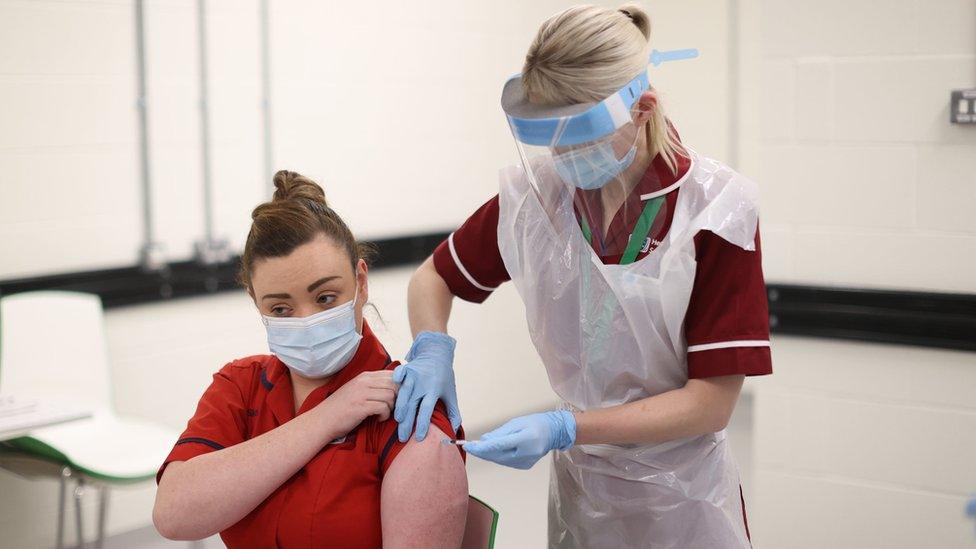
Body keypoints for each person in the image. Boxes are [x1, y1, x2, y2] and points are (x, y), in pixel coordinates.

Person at [396, 4, 772, 547]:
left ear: (642, 109)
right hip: (581, 494)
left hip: (684, 500)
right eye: (549, 133)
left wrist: (566, 427)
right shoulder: (538, 199)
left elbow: (710, 403)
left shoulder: (716, 213)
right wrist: (432, 350)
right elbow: (432, 278)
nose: (561, 154)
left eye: (579, 134)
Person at [153, 171, 467, 548]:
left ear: (360, 283)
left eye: (325, 298)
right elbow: (173, 514)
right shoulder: (241, 386)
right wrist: (328, 416)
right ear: (257, 303)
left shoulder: (409, 416)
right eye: (281, 308)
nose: (306, 321)